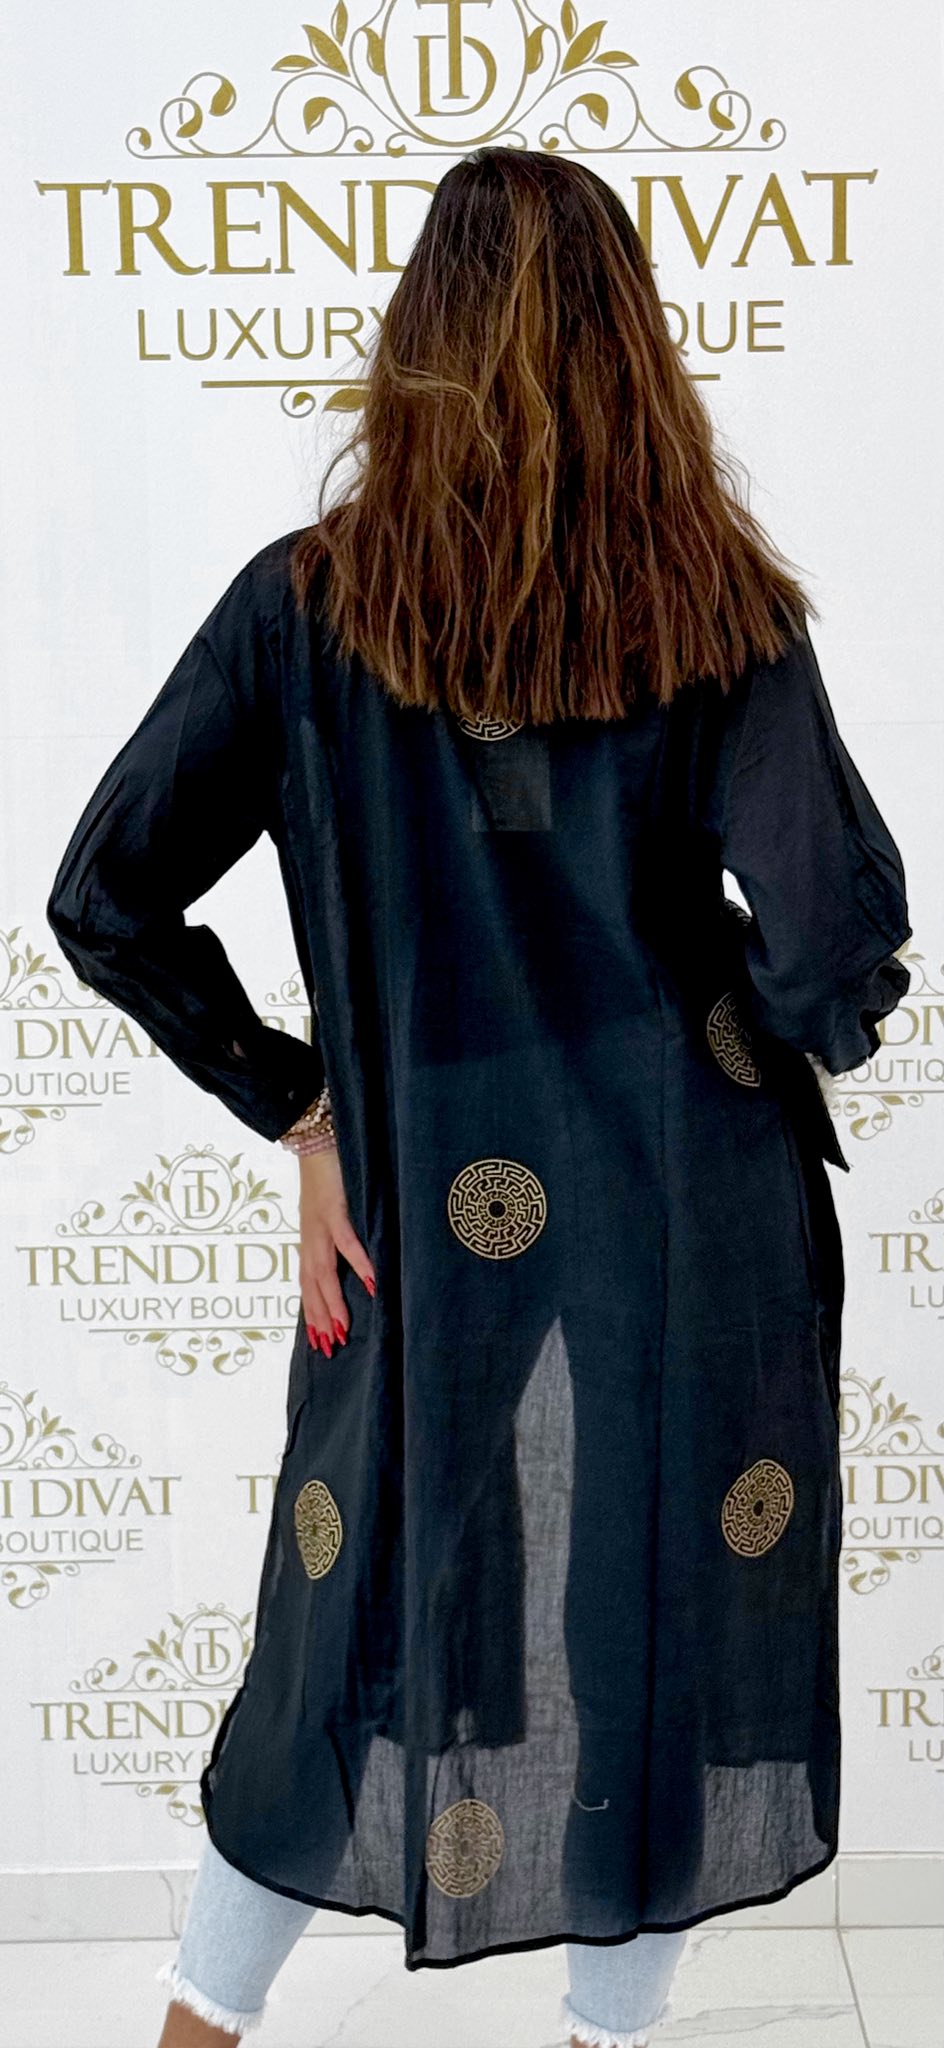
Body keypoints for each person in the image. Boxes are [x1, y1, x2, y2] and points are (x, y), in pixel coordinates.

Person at [45, 147, 912, 2048]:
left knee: (347, 1613)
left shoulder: (306, 607)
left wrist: (310, 1113)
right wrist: (748, 1020)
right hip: (685, 1183)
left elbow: (107, 894)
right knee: (655, 1608)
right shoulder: (717, 604)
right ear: (636, 345)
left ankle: (196, 2026)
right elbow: (832, 942)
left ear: (414, 338)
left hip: (417, 1179)